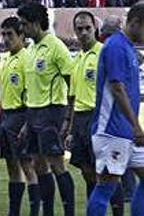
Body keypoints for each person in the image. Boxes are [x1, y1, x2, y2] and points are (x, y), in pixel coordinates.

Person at [17, 2, 75, 216]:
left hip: (51, 111)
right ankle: (48, 212)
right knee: (40, 165)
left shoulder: (56, 46)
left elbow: (72, 81)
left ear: (35, 23)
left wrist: (69, 117)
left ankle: (69, 212)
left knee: (58, 165)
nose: (22, 29)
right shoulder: (31, 48)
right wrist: (26, 122)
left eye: (24, 24)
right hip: (33, 113)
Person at [86, 2, 144, 216]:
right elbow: (117, 89)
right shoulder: (115, 47)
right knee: (106, 186)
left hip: (125, 130)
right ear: (136, 23)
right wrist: (136, 125)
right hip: (112, 130)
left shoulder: (127, 47)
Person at [0, 17, 40, 216]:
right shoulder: (4, 59)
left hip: (22, 116)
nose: (6, 39)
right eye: (3, 34)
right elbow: (4, 94)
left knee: (28, 166)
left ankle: (34, 211)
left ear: (21, 35)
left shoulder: (27, 59)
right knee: (12, 167)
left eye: (10, 35)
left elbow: (32, 93)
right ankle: (14, 212)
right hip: (6, 117)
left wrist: (28, 123)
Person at [66, 12, 102, 198]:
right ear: (75, 31)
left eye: (88, 28)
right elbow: (73, 97)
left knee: (103, 173)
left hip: (97, 117)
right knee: (86, 172)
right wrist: (70, 128)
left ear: (95, 27)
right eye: (80, 29)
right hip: (79, 120)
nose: (84, 32)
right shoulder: (78, 58)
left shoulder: (103, 53)